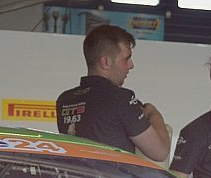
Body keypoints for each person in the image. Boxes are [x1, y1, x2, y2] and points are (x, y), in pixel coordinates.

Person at [56, 25, 170, 162]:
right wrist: (153, 113)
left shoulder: (65, 100)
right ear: (105, 62)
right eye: (126, 59)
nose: (131, 65)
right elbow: (160, 152)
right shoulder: (120, 98)